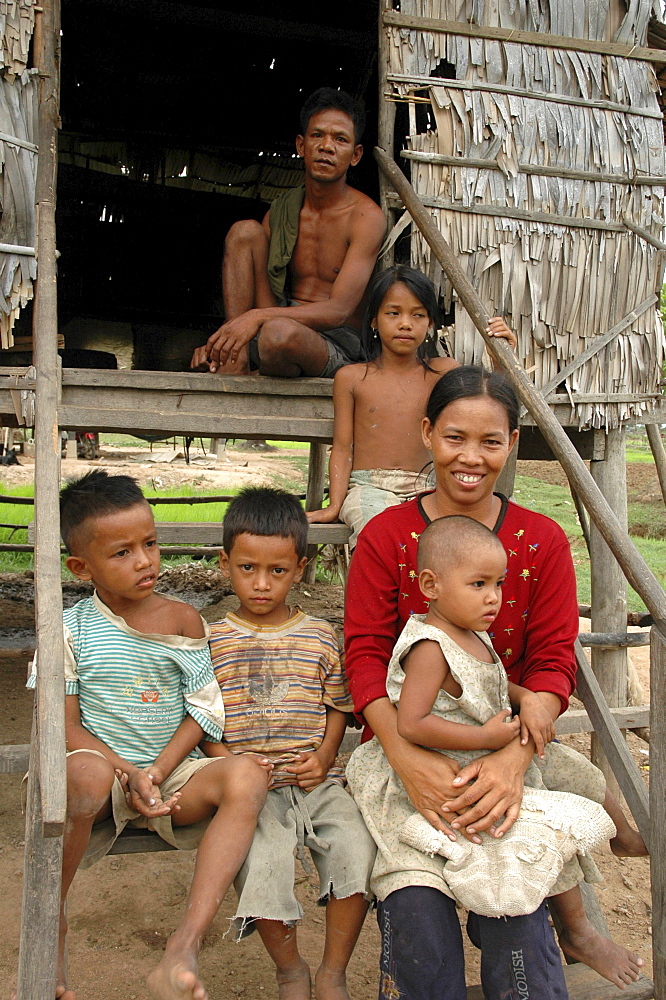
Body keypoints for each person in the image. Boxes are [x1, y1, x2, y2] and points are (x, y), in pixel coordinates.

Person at [344, 366, 646, 998]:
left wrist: (510, 757)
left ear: (512, 441)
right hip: (406, 754)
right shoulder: (387, 536)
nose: (471, 458)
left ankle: (563, 934)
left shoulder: (540, 541)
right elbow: (365, 657)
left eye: (491, 441)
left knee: (517, 911)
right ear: (427, 434)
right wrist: (405, 758)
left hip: (509, 746)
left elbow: (551, 662)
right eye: (455, 437)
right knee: (420, 920)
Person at [28, 470, 270, 1000]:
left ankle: (183, 946)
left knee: (247, 775)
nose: (145, 561)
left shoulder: (183, 620)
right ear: (80, 566)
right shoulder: (69, 629)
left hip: (172, 775)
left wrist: (157, 770)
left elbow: (204, 712)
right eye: (122, 553)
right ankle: (56, 921)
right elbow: (65, 727)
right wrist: (130, 772)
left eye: (151, 543)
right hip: (104, 776)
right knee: (85, 775)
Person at [348, 514, 615, 922]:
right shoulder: (429, 648)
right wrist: (487, 738)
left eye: (499, 584)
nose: (493, 597)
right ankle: (560, 919)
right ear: (430, 586)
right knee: (513, 828)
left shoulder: (472, 631)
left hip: (484, 748)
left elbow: (494, 678)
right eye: (479, 584)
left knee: (577, 774)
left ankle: (626, 839)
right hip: (443, 758)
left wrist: (527, 698)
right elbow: (412, 724)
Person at [204, 487, 376, 1000]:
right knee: (262, 866)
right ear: (225, 564)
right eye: (247, 568)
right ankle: (290, 969)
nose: (261, 584)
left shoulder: (321, 635)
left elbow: (338, 705)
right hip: (250, 795)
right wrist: (228, 764)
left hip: (317, 781)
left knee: (356, 850)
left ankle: (332, 971)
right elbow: (199, 719)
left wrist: (325, 757)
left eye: (277, 571)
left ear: (299, 569)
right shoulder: (210, 639)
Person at [306, 265, 517, 546]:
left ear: (430, 323)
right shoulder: (352, 378)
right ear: (373, 320)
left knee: (448, 541)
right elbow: (344, 448)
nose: (405, 323)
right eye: (393, 313)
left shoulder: (442, 372)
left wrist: (502, 358)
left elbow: (488, 406)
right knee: (380, 531)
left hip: (431, 486)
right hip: (368, 487)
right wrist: (335, 505)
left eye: (417, 315)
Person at [190, 87, 386, 378]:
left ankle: (254, 365)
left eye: (340, 139)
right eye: (317, 135)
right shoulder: (284, 210)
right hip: (273, 327)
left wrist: (254, 318)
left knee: (277, 335)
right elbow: (257, 284)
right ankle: (236, 358)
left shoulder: (366, 218)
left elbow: (339, 311)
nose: (327, 146)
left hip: (334, 344)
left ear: (355, 155)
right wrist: (225, 341)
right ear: (301, 145)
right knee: (243, 232)